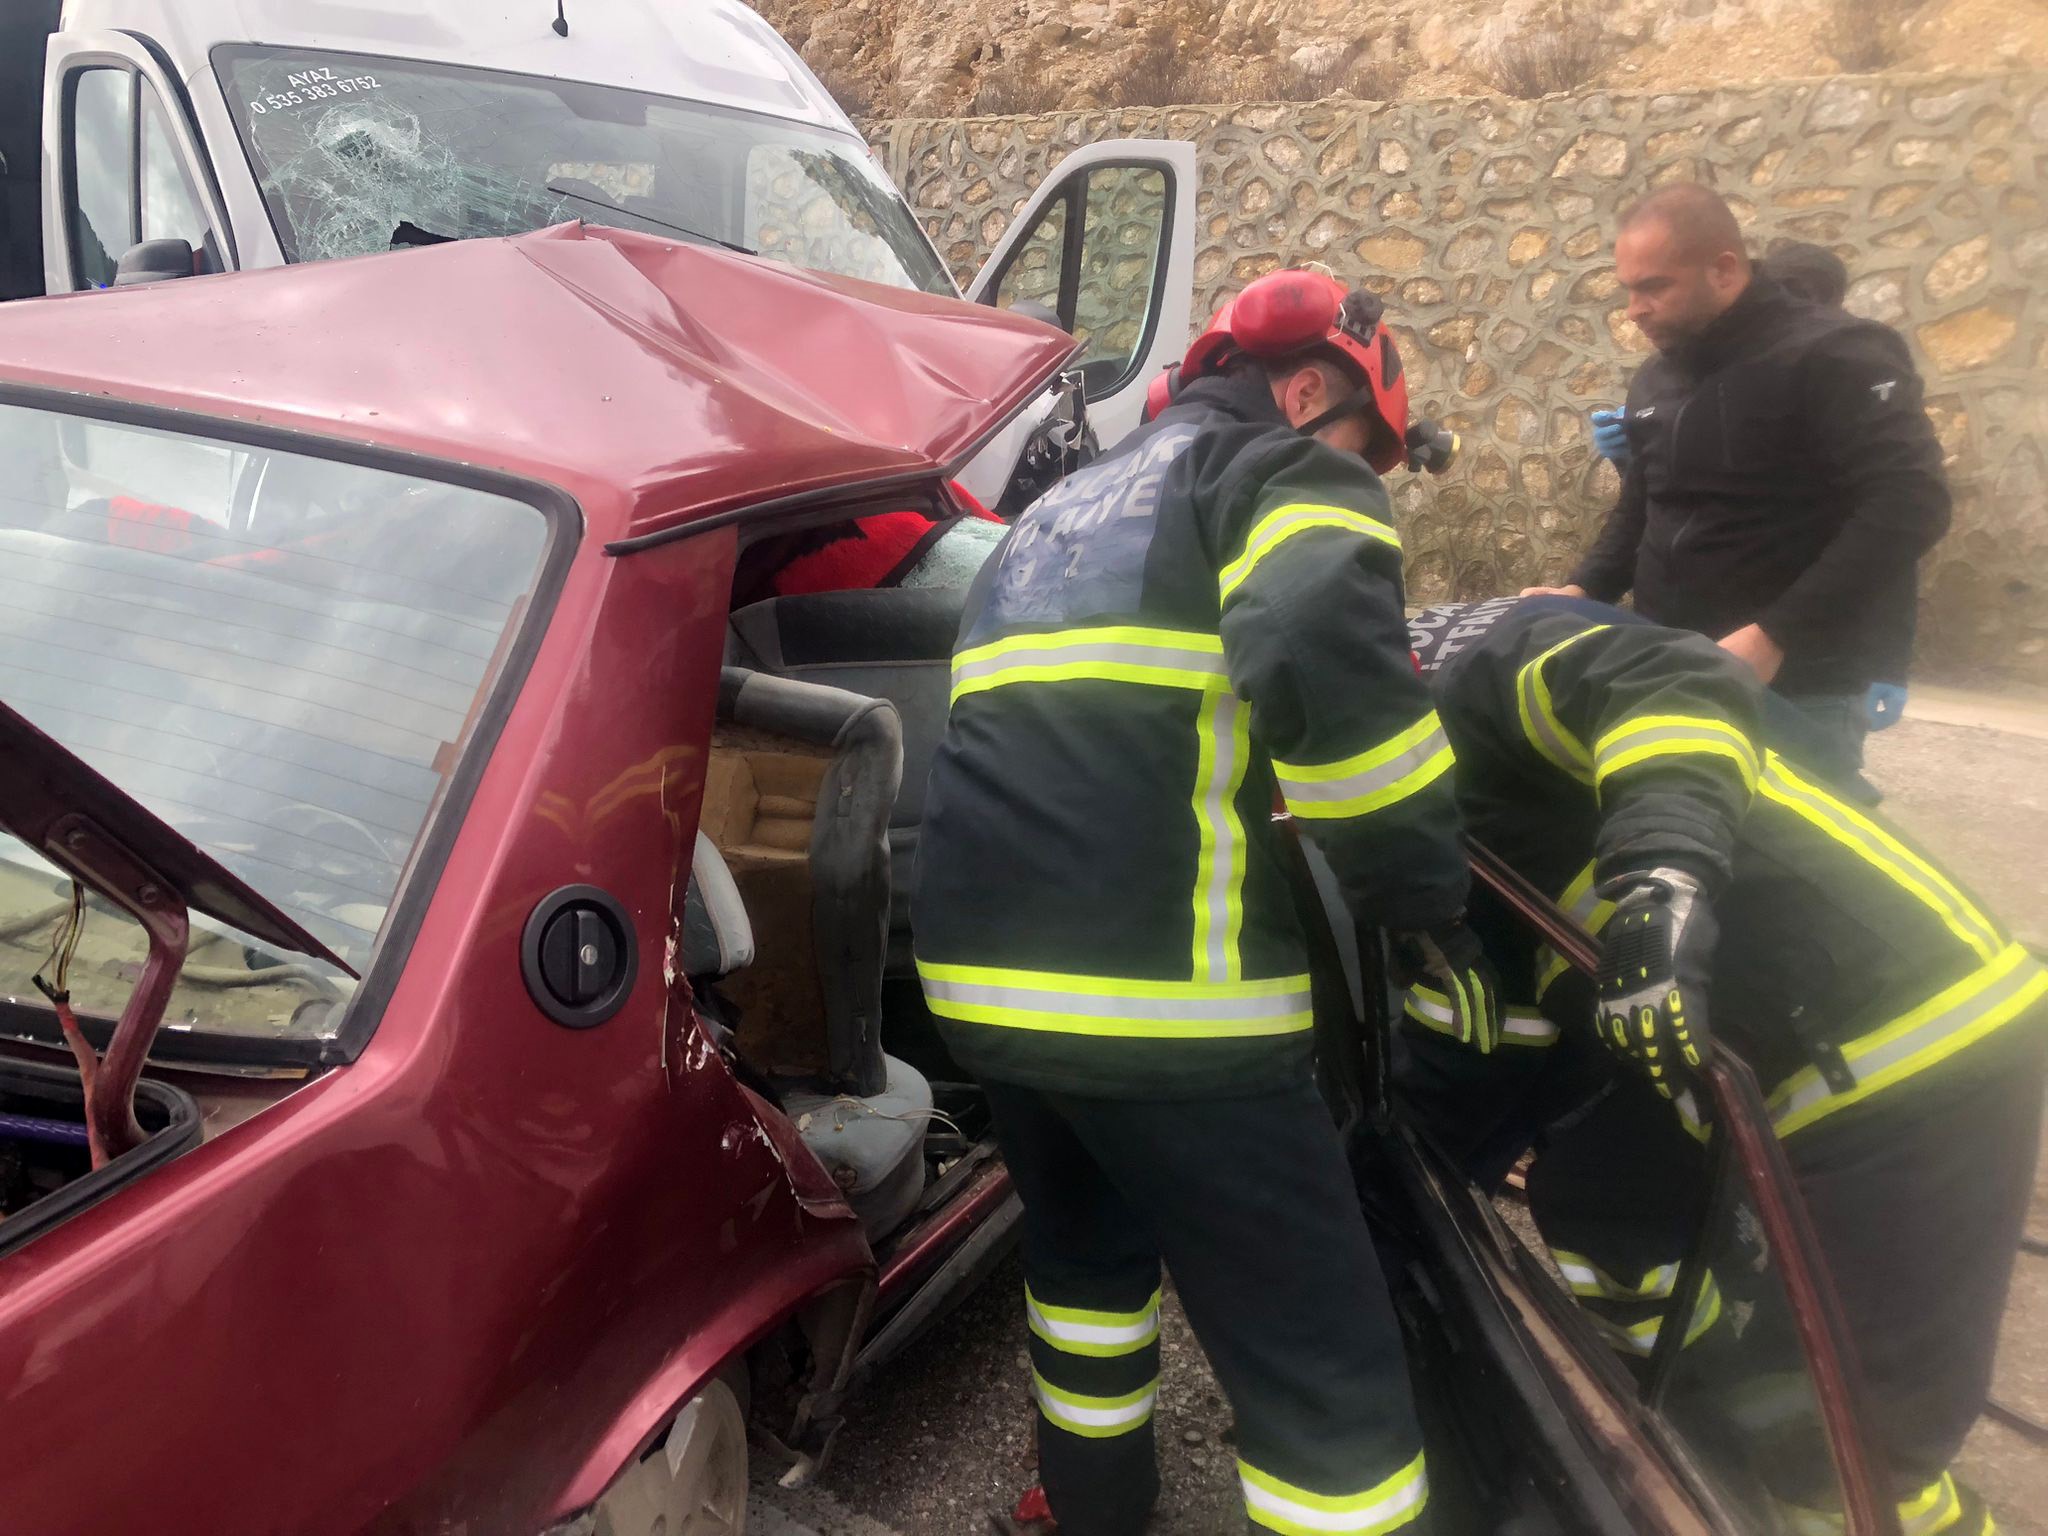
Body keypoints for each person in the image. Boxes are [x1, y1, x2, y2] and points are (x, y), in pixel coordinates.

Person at [914, 269, 1498, 1536]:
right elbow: (1332, 688)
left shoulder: (1054, 513)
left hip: (987, 999)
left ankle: (1091, 1510)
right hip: (1173, 1013)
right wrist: (1424, 906)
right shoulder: (1284, 477)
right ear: (1305, 392)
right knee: (1321, 1370)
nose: (1365, 477)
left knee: (1084, 1275)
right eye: (1367, 451)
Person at [1397, 596, 2045, 1536]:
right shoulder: (1392, 751)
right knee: (1601, 1209)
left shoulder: (1482, 661)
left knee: (1843, 1462)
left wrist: (1660, 875)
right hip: (1728, 1060)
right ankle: (1701, 1434)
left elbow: (1679, 679)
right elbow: (1487, 1020)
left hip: (1911, 1058)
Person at [1523, 183, 1950, 774]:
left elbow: (1910, 502)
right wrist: (1585, 587)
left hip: (1798, 682)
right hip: (1669, 664)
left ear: (1724, 270)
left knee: (1786, 864)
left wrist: (1774, 634)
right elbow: (1645, 503)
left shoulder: (1837, 353)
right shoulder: (1656, 375)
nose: (1633, 310)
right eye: (1628, 289)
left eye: (1654, 286)